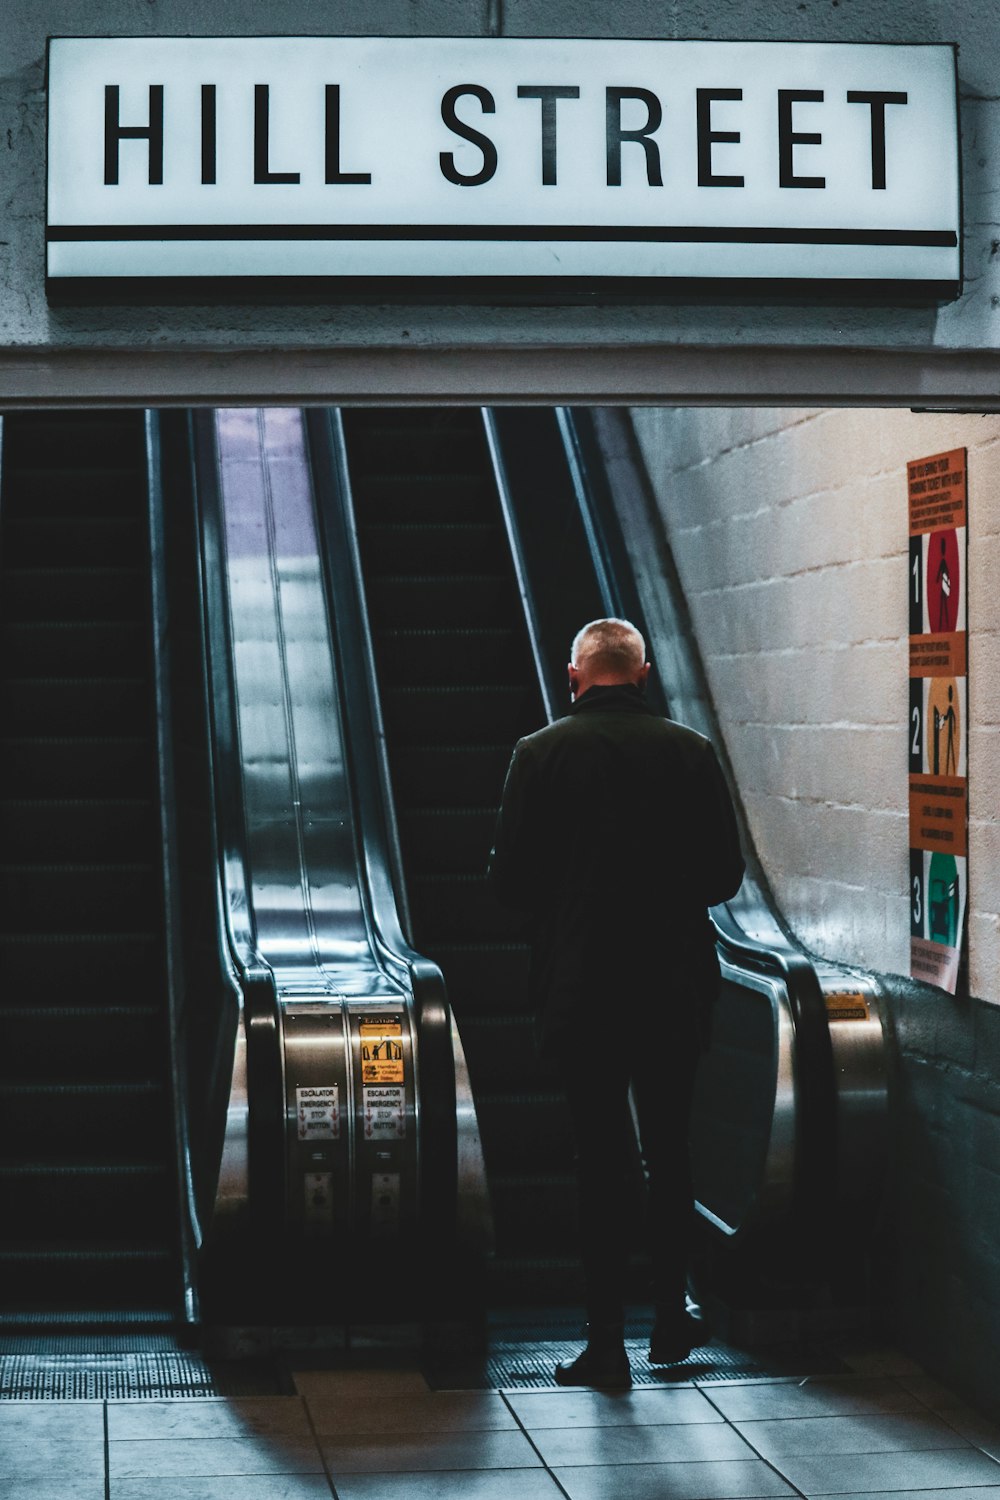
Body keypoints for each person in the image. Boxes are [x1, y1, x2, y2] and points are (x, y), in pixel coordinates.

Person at [488, 617, 745, 1388]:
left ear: (574, 678)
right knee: (669, 1152)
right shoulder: (690, 752)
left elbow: (508, 885)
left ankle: (604, 1344)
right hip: (671, 985)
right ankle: (671, 1318)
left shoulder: (537, 755)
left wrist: (566, 908)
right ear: (644, 675)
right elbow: (723, 877)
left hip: (582, 987)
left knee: (599, 1161)